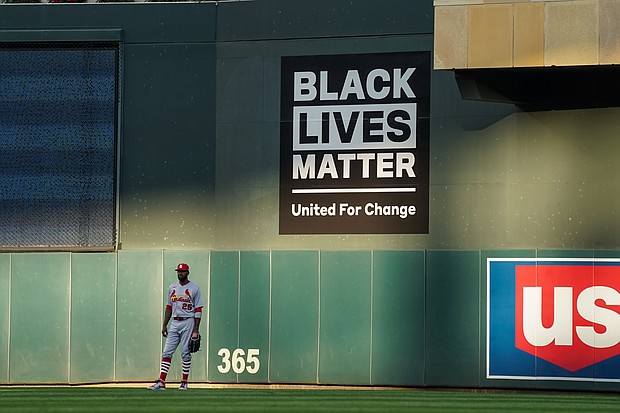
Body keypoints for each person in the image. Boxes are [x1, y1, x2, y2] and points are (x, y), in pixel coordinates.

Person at [148, 263, 204, 391]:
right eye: (178, 271)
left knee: (185, 353)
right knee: (167, 352)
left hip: (188, 321)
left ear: (187, 272)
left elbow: (198, 309)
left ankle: (184, 382)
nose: (180, 273)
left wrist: (196, 330)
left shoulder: (194, 288)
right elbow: (169, 307)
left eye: (183, 271)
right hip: (174, 322)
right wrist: (164, 325)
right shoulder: (172, 287)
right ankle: (161, 382)